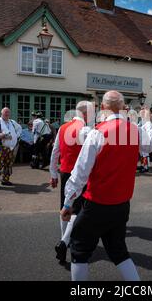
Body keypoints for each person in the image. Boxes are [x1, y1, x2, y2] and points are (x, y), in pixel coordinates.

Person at [60, 91, 152, 281]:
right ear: (123, 108)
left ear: (104, 108)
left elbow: (80, 172)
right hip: (122, 204)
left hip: (97, 203)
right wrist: (146, 121)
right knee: (118, 251)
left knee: (79, 249)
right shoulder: (135, 131)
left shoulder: (98, 132)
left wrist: (67, 203)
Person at [49, 101, 95, 264]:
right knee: (78, 210)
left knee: (65, 206)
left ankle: (63, 239)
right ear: (86, 114)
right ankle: (66, 241)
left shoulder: (62, 128)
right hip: (82, 175)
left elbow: (55, 152)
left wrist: (53, 173)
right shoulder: (88, 130)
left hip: (65, 172)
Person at [0, 108, 22, 190]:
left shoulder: (12, 122)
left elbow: (19, 128)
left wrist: (16, 135)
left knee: (8, 164)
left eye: (8, 113)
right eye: (5, 113)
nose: (7, 114)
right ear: (1, 113)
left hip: (10, 147)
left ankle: (5, 180)